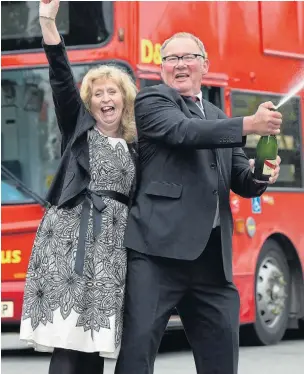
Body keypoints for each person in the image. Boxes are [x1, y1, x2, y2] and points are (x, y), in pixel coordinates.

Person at [114, 32, 282, 374]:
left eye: (187, 57)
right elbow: (184, 132)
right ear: (161, 68)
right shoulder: (152, 102)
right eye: (170, 59)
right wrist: (249, 124)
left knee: (221, 357)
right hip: (156, 253)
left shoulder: (218, 115)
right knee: (137, 351)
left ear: (205, 65)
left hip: (211, 263)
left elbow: (242, 181)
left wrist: (262, 173)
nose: (179, 65)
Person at [19, 1, 138, 373]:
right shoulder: (79, 130)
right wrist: (47, 22)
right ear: (89, 102)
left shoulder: (138, 144)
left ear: (125, 98)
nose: (106, 99)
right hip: (69, 241)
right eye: (98, 94)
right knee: (67, 338)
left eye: (112, 92)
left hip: (111, 250)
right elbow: (59, 76)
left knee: (93, 339)